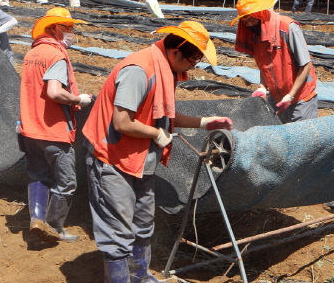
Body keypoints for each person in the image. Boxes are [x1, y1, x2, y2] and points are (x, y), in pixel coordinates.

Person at [82, 21, 233, 283]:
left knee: (142, 223)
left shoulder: (165, 70)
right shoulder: (139, 71)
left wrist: (206, 122)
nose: (191, 69)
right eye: (192, 62)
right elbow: (122, 122)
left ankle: (139, 276)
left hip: (140, 159)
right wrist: (155, 134)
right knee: (117, 231)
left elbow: (165, 115)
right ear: (175, 53)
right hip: (112, 158)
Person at [18, 7, 92, 243]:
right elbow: (54, 92)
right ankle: (54, 227)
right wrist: (79, 99)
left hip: (30, 129)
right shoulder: (56, 55)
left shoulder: (33, 53)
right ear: (57, 29)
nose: (71, 33)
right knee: (67, 183)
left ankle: (37, 219)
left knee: (39, 175)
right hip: (54, 131)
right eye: (69, 28)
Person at [232, 0, 318, 123]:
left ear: (260, 14)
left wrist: (290, 96)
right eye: (245, 21)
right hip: (277, 99)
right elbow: (264, 64)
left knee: (301, 139)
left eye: (251, 19)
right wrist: (262, 87)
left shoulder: (288, 27)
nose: (248, 25)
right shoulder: (256, 34)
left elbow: (305, 65)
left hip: (301, 100)